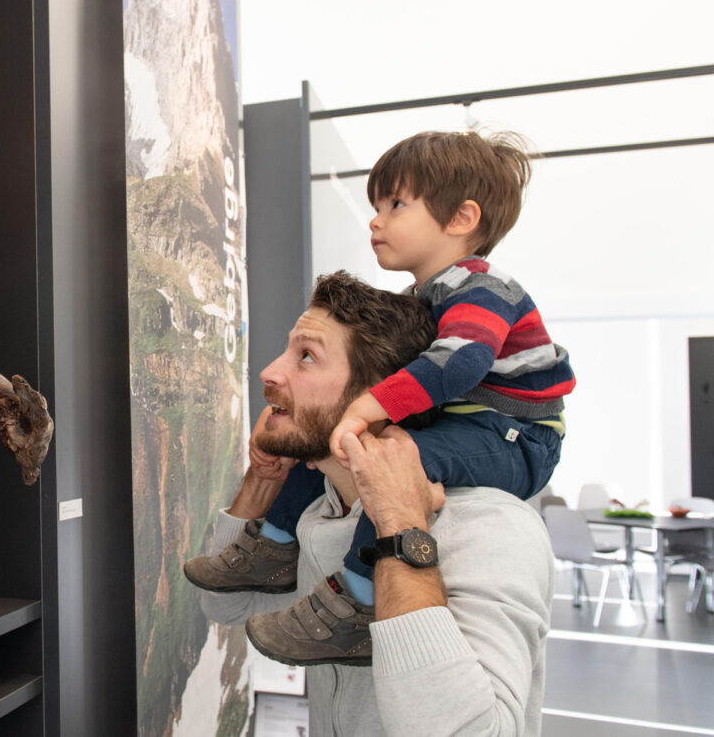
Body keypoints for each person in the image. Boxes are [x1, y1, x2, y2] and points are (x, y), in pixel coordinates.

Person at [186, 130, 573, 665]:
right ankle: (273, 543)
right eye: (376, 206)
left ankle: (361, 598)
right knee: (316, 439)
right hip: (472, 422)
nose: (375, 220)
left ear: (461, 219)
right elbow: (220, 612)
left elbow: (461, 362)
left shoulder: (483, 289)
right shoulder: (423, 297)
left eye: (395, 205)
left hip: (515, 435)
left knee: (400, 457)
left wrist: (367, 407)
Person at [194, 272, 554, 735]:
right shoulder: (318, 512)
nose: (270, 372)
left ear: (382, 394)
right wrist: (261, 482)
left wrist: (400, 524)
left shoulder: (492, 528)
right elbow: (224, 609)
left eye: (306, 356)